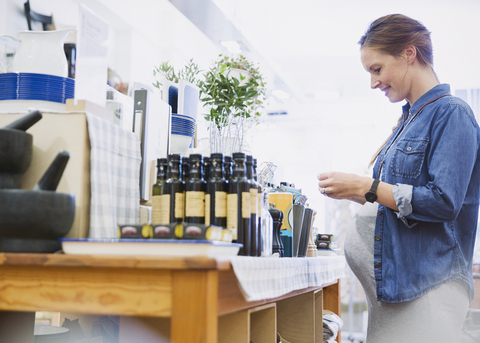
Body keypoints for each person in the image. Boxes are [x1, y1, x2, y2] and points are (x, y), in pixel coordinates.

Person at [317, 14, 480, 343]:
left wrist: (368, 186)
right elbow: (401, 199)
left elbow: (443, 202)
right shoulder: (410, 119)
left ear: (409, 53)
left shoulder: (452, 114)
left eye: (377, 69)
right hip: (396, 292)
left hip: (427, 291)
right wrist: (358, 192)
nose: (373, 82)